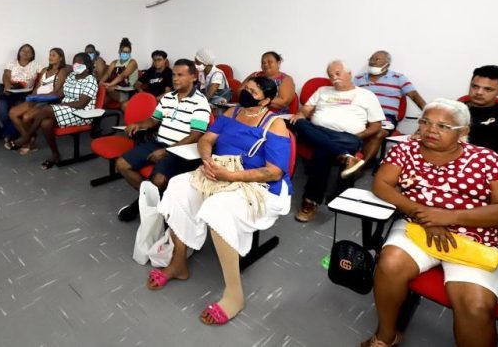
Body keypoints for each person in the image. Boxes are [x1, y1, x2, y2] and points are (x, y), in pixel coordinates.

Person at [364, 99, 498, 347]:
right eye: (425, 122)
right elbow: (381, 184)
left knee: (475, 305)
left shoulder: (487, 160)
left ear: (463, 132)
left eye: (443, 126)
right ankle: (386, 335)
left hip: (475, 237)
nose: (430, 130)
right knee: (390, 263)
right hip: (418, 227)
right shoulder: (406, 150)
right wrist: (425, 215)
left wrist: (448, 217)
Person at [152, 76, 293, 326]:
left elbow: (274, 171)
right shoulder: (231, 112)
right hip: (218, 171)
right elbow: (206, 139)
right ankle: (178, 262)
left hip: (255, 184)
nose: (246, 93)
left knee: (216, 208)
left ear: (267, 100)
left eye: (253, 92)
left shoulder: (275, 125)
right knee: (177, 186)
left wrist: (231, 175)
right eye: (245, 89)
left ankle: (234, 293)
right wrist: (207, 160)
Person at [115, 59, 212, 222]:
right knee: (121, 164)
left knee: (159, 180)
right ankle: (150, 201)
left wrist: (167, 151)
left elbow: (195, 135)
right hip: (158, 142)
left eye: (180, 75)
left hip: (180, 149)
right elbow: (153, 121)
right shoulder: (168, 98)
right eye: (174, 75)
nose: (175, 79)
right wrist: (138, 124)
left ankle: (138, 205)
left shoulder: (200, 102)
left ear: (193, 77)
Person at [290, 60, 385, 222]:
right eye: (330, 75)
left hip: (348, 137)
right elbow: (305, 110)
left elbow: (376, 125)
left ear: (349, 74)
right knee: (298, 122)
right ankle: (347, 157)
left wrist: (358, 136)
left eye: (337, 73)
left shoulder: (366, 95)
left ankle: (310, 201)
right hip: (319, 132)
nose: (334, 78)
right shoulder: (322, 90)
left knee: (322, 149)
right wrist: (301, 114)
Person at [13, 53, 99, 169]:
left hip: (81, 112)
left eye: (79, 63)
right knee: (45, 123)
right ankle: (55, 154)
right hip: (65, 109)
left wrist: (62, 104)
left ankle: (27, 137)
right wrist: (40, 97)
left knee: (45, 109)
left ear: (87, 65)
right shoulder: (72, 76)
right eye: (74, 62)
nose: (75, 65)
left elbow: (81, 103)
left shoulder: (91, 80)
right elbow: (60, 93)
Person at [353, 50, 427, 167]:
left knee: (378, 133)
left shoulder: (398, 78)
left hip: (385, 117)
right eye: (371, 59)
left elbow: (414, 95)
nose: (373, 62)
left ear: (387, 63)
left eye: (377, 59)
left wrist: (428, 111)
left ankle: (359, 168)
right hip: (361, 115)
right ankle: (348, 160)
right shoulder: (358, 79)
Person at [7, 48, 68, 154]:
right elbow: (38, 87)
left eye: (53, 55)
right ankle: (29, 137)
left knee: (26, 117)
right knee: (12, 113)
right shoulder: (45, 70)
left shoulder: (62, 71)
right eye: (49, 54)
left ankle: (27, 141)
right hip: (36, 99)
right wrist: (32, 96)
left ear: (61, 58)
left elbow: (57, 92)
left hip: (48, 101)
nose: (50, 57)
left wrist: (40, 97)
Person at [0, 43, 44, 147]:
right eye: (23, 50)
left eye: (29, 51)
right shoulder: (12, 63)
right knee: (2, 109)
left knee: (17, 112)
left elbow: (45, 75)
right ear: (19, 52)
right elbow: (6, 75)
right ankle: (14, 133)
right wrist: (7, 85)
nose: (25, 53)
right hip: (10, 91)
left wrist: (37, 88)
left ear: (32, 55)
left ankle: (9, 135)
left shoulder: (36, 65)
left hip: (26, 93)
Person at [465, 65, 498, 158]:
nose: (479, 92)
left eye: (488, 89)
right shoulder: (454, 109)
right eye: (475, 86)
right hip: (454, 163)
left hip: (495, 166)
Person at [100, 37, 139, 105]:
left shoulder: (133, 62)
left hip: (127, 90)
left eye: (128, 52)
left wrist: (110, 84)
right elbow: (107, 74)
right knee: (100, 99)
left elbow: (123, 76)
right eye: (123, 51)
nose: (125, 54)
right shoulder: (114, 62)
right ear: (119, 51)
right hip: (115, 88)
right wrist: (101, 82)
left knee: (107, 89)